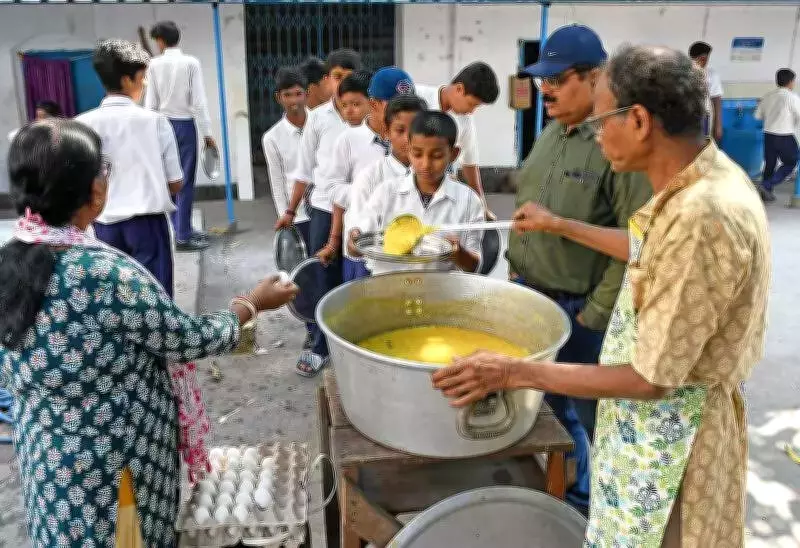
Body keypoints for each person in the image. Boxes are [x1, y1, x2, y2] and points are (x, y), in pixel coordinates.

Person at [434, 45, 770, 548]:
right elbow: (648, 249)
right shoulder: (696, 183)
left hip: (671, 450)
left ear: (637, 120)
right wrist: (558, 224)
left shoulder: (704, 217)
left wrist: (511, 370)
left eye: (600, 118)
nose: (594, 131)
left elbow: (650, 379)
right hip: (639, 433)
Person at [0, 118, 299, 547]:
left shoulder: (9, 264)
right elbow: (184, 338)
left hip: (47, 465)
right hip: (118, 469)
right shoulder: (106, 274)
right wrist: (250, 304)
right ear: (95, 192)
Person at [507, 24, 653, 514]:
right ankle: (559, 488)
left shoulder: (617, 147)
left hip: (581, 311)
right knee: (544, 407)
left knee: (586, 415)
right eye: (542, 79)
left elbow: (639, 242)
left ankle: (590, 505)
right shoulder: (551, 131)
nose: (545, 88)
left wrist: (595, 312)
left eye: (558, 78)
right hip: (534, 296)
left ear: (595, 78)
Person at [277, 48, 362, 378]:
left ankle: (349, 342)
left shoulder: (370, 118)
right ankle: (318, 343)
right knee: (318, 276)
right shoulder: (319, 120)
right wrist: (290, 209)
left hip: (359, 213)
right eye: (336, 77)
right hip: (324, 211)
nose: (342, 85)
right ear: (327, 81)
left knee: (351, 276)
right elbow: (303, 171)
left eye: (348, 78)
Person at [76, 39, 182, 300]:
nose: (145, 84)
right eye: (142, 78)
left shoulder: (82, 125)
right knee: (155, 298)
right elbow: (176, 182)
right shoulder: (156, 122)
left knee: (115, 299)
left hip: (104, 225)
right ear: (126, 80)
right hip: (147, 224)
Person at [348, 110, 483, 273]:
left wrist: (459, 253)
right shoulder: (386, 193)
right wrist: (354, 241)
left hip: (439, 293)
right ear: (409, 150)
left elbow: (474, 266)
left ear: (453, 154)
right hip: (387, 289)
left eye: (437, 156)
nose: (425, 164)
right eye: (417, 154)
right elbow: (357, 247)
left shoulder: (469, 201)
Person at [323, 66, 416, 281]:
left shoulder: (417, 141)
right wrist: (370, 192)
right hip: (364, 248)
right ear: (374, 104)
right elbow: (331, 188)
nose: (405, 112)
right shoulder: (348, 140)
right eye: (396, 105)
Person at [145, 21, 216, 252]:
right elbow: (199, 102)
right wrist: (207, 134)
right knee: (185, 181)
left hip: (161, 125)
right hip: (185, 125)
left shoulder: (153, 65)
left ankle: (181, 228)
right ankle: (183, 234)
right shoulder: (191, 63)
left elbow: (150, 103)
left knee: (170, 179)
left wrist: (149, 132)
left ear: (161, 41)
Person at [346, 94, 427, 276]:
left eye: (415, 129)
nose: (408, 138)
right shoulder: (370, 178)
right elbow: (357, 237)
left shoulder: (438, 178)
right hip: (382, 274)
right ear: (385, 133)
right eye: (400, 130)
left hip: (426, 273)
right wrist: (355, 238)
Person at [415, 62, 499, 203]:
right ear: (459, 89)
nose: (472, 111)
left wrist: (481, 204)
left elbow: (470, 163)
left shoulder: (465, 121)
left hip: (440, 195)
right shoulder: (416, 98)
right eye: (472, 104)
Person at [263, 67, 311, 241]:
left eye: (298, 94)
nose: (294, 101)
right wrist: (285, 215)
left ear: (306, 94)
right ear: (279, 97)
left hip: (326, 209)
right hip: (298, 215)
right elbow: (277, 181)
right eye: (288, 95)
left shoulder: (322, 125)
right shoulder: (272, 138)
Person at [755, 68, 800, 202]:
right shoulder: (792, 98)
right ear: (791, 82)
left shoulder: (768, 96)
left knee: (770, 164)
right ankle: (766, 185)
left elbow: (758, 116)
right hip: (785, 135)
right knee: (791, 162)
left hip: (769, 135)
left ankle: (765, 194)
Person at [689, 41, 724, 143]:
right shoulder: (683, 72)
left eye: (706, 59)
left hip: (703, 117)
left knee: (703, 145)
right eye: (703, 59)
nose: (705, 62)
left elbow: (716, 99)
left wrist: (718, 125)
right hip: (687, 116)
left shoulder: (711, 74)